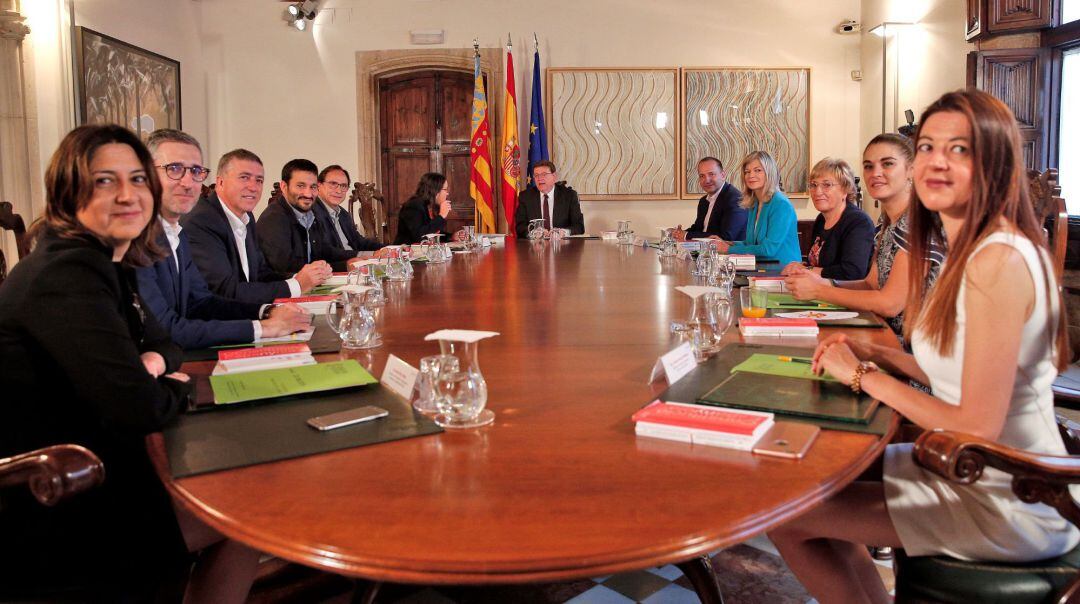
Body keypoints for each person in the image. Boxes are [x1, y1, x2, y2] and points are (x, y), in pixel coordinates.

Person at [769, 89, 1075, 603]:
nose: (937, 160)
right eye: (929, 146)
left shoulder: (996, 261)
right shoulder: (971, 248)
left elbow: (975, 424)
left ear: (995, 163)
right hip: (975, 468)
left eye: (959, 149)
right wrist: (879, 354)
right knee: (815, 486)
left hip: (1012, 494)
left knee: (791, 517)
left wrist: (863, 376)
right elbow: (958, 372)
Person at [0, 124, 258, 602]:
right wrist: (172, 385)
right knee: (252, 508)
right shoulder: (65, 273)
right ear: (67, 192)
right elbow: (140, 406)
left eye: (138, 179)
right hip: (61, 498)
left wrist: (156, 363)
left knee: (244, 489)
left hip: (110, 459)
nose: (128, 194)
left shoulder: (110, 260)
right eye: (105, 181)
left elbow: (169, 342)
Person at [135, 129, 311, 350]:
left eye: (196, 171)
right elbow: (166, 329)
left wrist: (266, 311)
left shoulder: (176, 232)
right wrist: (265, 328)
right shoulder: (136, 238)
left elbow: (201, 302)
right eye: (175, 169)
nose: (188, 182)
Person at [784, 134, 946, 340]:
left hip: (916, 350)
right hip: (881, 332)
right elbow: (870, 284)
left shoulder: (919, 220)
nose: (876, 173)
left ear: (911, 170)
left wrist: (818, 291)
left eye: (887, 164)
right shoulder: (886, 220)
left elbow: (890, 304)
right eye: (869, 166)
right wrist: (825, 283)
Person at [182, 149, 332, 304]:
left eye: (259, 180)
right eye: (244, 178)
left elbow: (261, 273)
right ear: (220, 182)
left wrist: (302, 277)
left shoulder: (247, 217)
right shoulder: (202, 221)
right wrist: (297, 285)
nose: (253, 187)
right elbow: (223, 292)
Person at [257, 159, 366, 273]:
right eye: (300, 186)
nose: (308, 194)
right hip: (287, 289)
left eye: (313, 187)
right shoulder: (274, 219)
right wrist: (342, 266)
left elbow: (324, 251)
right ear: (284, 187)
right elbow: (286, 268)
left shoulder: (310, 214)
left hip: (311, 285)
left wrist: (351, 263)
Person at [780, 157, 874, 280]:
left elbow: (852, 272)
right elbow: (818, 264)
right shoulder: (821, 219)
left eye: (827, 185)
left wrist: (807, 270)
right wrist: (800, 266)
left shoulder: (858, 222)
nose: (817, 191)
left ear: (845, 189)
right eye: (813, 185)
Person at [713, 151, 801, 265]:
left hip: (782, 271)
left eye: (758, 170)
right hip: (761, 268)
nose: (751, 175)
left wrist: (728, 249)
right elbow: (751, 244)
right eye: (747, 172)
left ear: (769, 173)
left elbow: (768, 250)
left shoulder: (781, 205)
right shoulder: (755, 203)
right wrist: (727, 243)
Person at [312, 164, 386, 254]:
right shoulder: (312, 213)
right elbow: (327, 253)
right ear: (319, 185)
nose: (339, 191)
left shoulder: (343, 214)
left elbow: (360, 242)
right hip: (338, 265)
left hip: (355, 261)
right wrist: (364, 255)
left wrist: (390, 249)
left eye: (343, 186)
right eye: (333, 184)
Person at [673, 156, 747, 242]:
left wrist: (686, 235)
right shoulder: (704, 201)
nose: (707, 180)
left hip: (730, 254)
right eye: (702, 176)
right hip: (705, 252)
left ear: (723, 175)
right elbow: (699, 229)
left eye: (711, 174)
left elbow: (726, 237)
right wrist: (679, 233)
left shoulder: (735, 199)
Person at [513, 160, 585, 238]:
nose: (539, 178)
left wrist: (564, 232)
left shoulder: (569, 195)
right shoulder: (526, 196)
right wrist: (533, 233)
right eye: (536, 175)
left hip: (562, 245)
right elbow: (519, 227)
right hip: (535, 246)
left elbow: (579, 226)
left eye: (544, 174)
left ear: (554, 177)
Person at [395, 172, 453, 244]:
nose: (447, 193)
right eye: (445, 189)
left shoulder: (431, 206)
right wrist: (441, 216)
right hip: (406, 252)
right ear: (435, 190)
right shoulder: (413, 206)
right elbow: (420, 236)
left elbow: (432, 232)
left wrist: (451, 236)